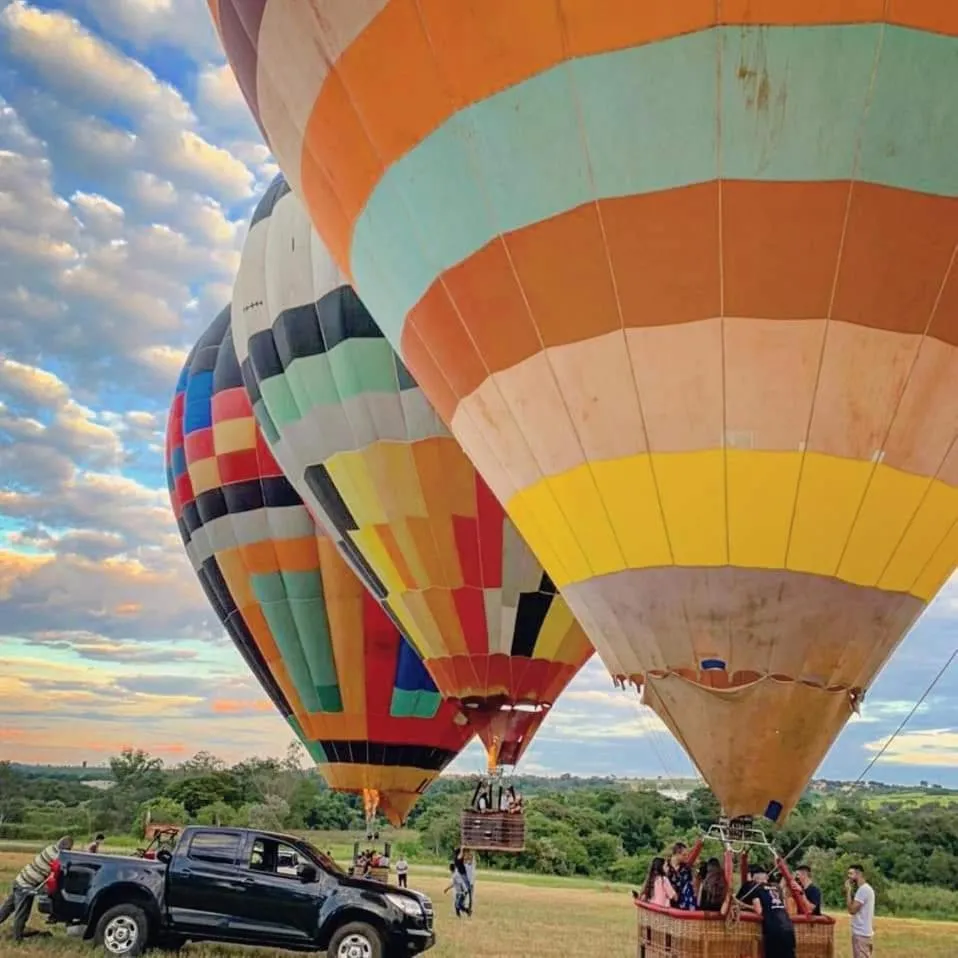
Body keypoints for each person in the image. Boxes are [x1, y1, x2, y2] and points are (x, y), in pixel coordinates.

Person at [0, 836, 73, 941]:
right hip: (26, 886)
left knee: (7, 908)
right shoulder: (56, 856)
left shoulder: (50, 848)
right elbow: (62, 866)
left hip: (20, 879)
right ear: (66, 848)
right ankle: (17, 939)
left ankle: (16, 935)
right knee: (22, 913)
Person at [740, 865, 796, 958]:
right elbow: (784, 906)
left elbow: (759, 910)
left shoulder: (756, 889)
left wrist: (745, 906)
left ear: (754, 880)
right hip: (788, 926)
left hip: (773, 927)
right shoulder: (776, 888)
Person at [846, 864, 875, 957]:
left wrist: (848, 891)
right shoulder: (865, 889)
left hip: (861, 933)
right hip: (864, 933)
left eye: (851, 874)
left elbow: (852, 910)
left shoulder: (863, 890)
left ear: (858, 874)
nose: (849, 877)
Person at [666, 842, 696, 910]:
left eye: (687, 855)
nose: (686, 857)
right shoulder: (664, 866)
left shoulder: (686, 869)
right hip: (667, 905)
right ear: (677, 854)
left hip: (683, 907)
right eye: (684, 855)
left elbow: (691, 886)